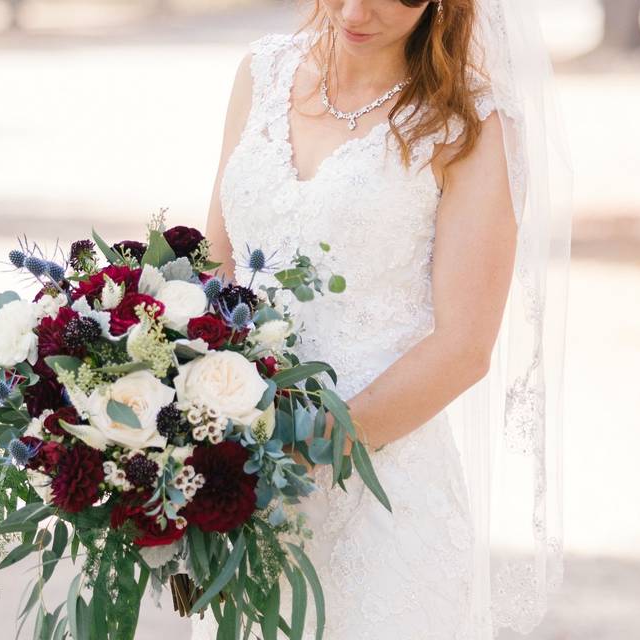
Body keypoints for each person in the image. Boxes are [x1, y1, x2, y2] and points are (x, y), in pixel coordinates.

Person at [193, 0, 570, 637]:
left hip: (381, 489)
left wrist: (290, 451)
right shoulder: (260, 74)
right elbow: (214, 273)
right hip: (237, 482)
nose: (355, 10)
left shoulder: (471, 125)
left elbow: (463, 348)